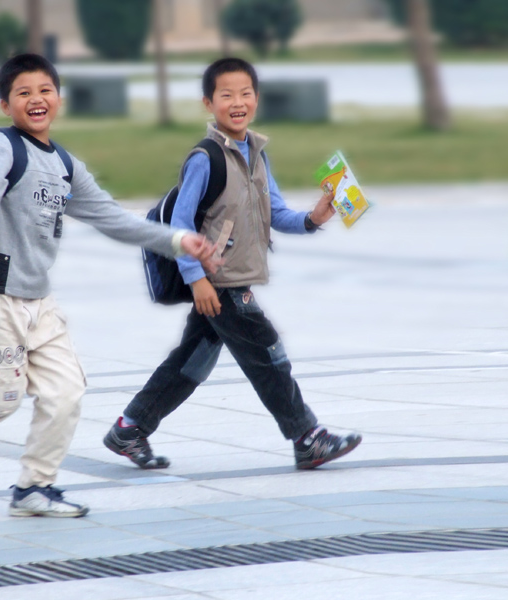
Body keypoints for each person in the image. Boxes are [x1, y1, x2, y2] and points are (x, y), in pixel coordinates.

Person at [0, 53, 218, 518]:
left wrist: (176, 240)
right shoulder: (1, 148)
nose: (36, 100)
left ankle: (34, 487)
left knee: (66, 391)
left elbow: (112, 218)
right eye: (23, 93)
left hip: (38, 302)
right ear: (5, 104)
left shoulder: (66, 164)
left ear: (59, 98)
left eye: (44, 90)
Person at [103, 57, 362, 471]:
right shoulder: (204, 158)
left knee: (192, 361)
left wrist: (313, 219)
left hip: (231, 277)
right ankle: (306, 436)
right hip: (219, 281)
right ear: (210, 103)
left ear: (256, 99)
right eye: (226, 95)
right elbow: (180, 222)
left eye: (245, 93)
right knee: (268, 352)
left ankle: (129, 428)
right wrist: (197, 280)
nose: (237, 102)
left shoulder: (257, 154)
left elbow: (274, 212)